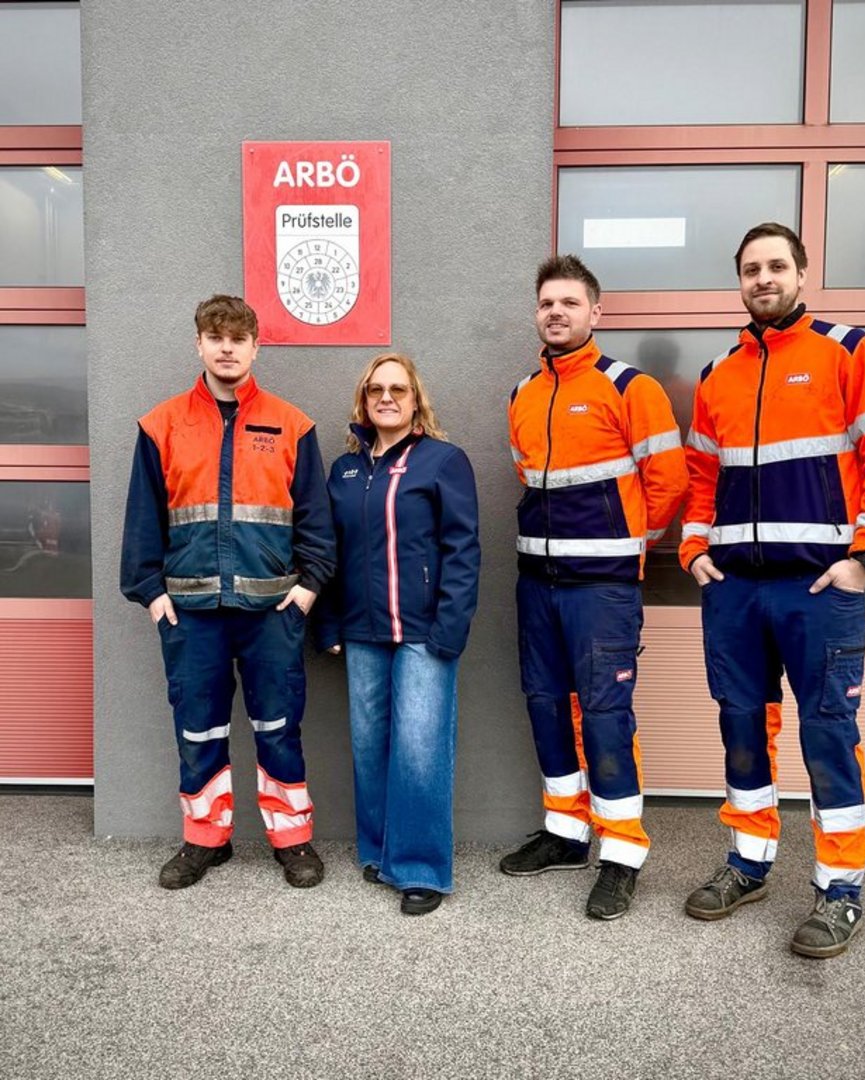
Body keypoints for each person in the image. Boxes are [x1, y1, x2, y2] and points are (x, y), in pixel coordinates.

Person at [679, 223, 865, 957]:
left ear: (801, 274)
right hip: (735, 591)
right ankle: (748, 864)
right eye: (751, 269)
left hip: (818, 587)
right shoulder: (718, 374)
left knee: (828, 732)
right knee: (741, 728)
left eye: (776, 265)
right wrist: (693, 547)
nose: (763, 278)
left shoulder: (847, 351)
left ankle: (839, 889)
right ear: (739, 281)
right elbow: (700, 474)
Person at [120, 294, 336, 890]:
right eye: (215, 338)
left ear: (255, 347)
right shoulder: (161, 424)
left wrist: (307, 591)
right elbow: (142, 521)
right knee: (198, 730)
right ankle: (204, 840)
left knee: (278, 727)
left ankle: (292, 840)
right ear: (199, 344)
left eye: (238, 339)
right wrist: (153, 596)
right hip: (189, 614)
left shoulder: (292, 424)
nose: (227, 349)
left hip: (272, 613)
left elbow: (316, 521)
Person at [501, 254, 688, 920]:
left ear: (595, 313)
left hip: (603, 589)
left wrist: (623, 547)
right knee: (547, 705)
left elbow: (668, 482)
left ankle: (622, 853)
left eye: (569, 303)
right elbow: (528, 476)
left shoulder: (630, 387)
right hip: (537, 583)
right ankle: (565, 832)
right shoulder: (522, 393)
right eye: (546, 303)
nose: (556, 313)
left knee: (606, 716)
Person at [315, 353, 480, 916]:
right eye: (376, 390)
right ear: (364, 401)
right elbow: (332, 551)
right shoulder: (344, 470)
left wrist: (450, 628)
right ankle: (380, 849)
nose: (387, 398)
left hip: (423, 632)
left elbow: (463, 550)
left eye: (398, 389)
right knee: (369, 745)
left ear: (415, 401)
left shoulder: (443, 461)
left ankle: (420, 868)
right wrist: (329, 622)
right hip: (361, 631)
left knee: (419, 748)